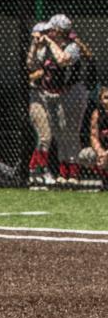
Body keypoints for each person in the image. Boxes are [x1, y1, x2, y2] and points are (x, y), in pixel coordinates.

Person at [33, 14, 86, 186]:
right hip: (54, 94)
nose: (49, 32)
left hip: (72, 92)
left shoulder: (72, 46)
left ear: (59, 31)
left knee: (70, 132)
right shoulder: (48, 46)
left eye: (52, 30)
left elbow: (63, 60)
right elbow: (33, 64)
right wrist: (37, 45)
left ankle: (74, 172)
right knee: (58, 133)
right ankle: (63, 172)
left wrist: (49, 43)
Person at [26, 20, 56, 188]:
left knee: (48, 137)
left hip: (52, 95)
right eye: (44, 32)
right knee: (44, 136)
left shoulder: (51, 48)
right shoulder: (35, 50)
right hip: (36, 96)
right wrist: (34, 43)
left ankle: (33, 169)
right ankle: (41, 170)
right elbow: (30, 66)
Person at [77, 85, 108, 185]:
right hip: (103, 149)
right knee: (85, 155)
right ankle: (104, 176)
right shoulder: (97, 114)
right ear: (100, 100)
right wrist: (100, 152)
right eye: (106, 98)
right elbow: (93, 136)